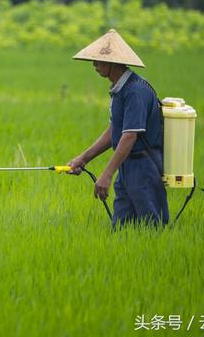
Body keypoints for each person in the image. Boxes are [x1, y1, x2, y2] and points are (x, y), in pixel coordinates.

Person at [66, 29, 169, 228]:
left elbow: (129, 136)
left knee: (151, 229)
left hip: (144, 167)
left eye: (98, 61)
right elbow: (116, 130)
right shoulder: (120, 90)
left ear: (114, 63)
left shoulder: (135, 91)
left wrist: (106, 174)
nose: (94, 65)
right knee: (121, 229)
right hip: (127, 166)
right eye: (93, 61)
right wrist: (83, 158)